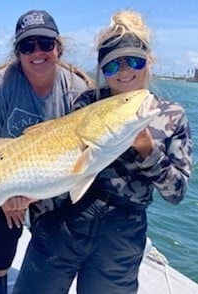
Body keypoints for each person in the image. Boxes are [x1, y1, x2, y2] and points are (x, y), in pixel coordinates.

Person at [13, 9, 193, 294]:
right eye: (112, 66)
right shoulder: (87, 104)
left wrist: (149, 152)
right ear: (101, 70)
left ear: (149, 61)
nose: (123, 72)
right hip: (63, 222)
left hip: (121, 237)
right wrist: (29, 196)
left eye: (133, 61)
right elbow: (63, 164)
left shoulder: (171, 116)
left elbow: (177, 193)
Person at [0, 9, 94, 294]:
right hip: (9, 171)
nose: (37, 52)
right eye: (28, 45)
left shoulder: (77, 88)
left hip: (58, 172)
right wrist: (4, 196)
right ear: (18, 52)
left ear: (58, 48)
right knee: (6, 221)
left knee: (65, 223)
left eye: (45, 44)